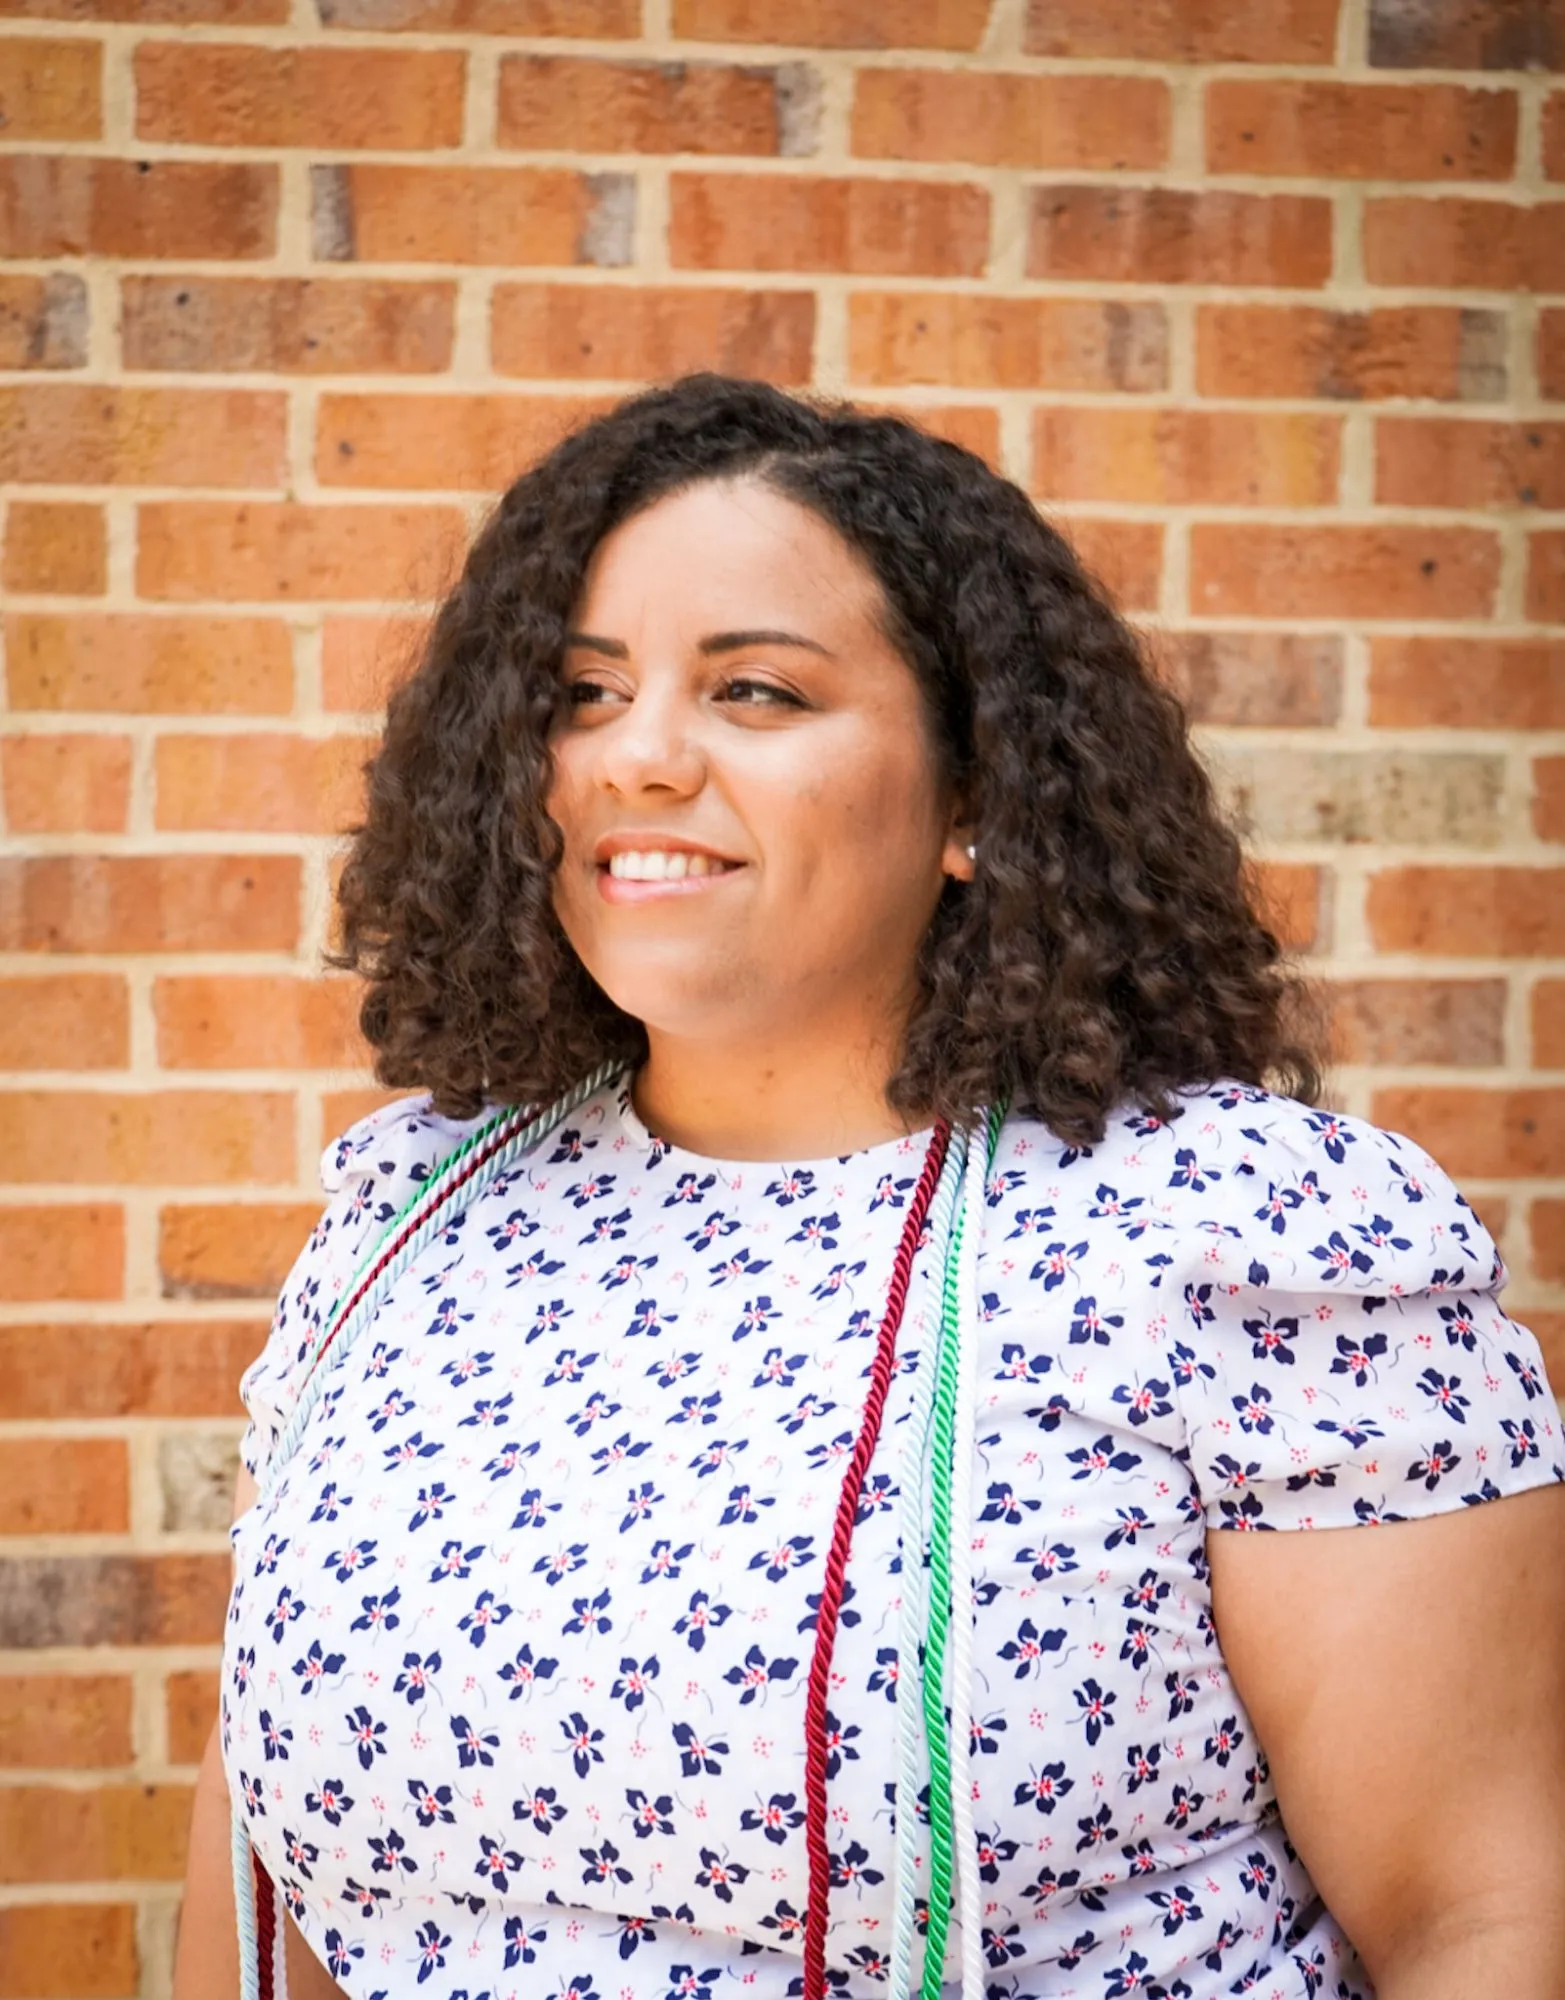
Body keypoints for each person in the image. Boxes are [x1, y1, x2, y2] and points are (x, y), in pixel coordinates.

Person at [172, 374, 1565, 2000]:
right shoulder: (414, 1217)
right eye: (583, 692)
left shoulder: (1237, 1238)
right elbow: (265, 1874)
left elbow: (1485, 1916)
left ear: (974, 797)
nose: (639, 758)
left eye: (755, 692)